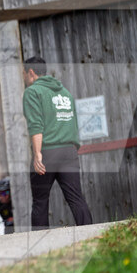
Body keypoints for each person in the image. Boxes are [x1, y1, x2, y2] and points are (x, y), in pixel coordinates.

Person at [22, 56, 92, 230]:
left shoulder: (33, 92)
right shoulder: (65, 92)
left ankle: (40, 245)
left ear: (31, 72)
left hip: (48, 153)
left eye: (23, 74)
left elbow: (36, 125)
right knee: (76, 198)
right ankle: (92, 235)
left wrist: (38, 153)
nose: (24, 78)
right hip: (69, 152)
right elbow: (72, 122)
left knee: (40, 201)